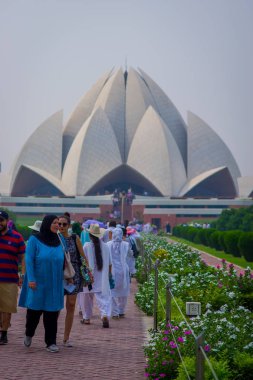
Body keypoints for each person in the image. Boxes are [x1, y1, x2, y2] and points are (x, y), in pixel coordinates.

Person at [19, 215, 64, 353]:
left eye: (59, 223)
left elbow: (65, 258)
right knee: (34, 312)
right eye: (55, 223)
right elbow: (29, 259)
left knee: (52, 313)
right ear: (46, 224)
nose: (58, 225)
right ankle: (29, 333)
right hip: (37, 282)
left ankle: (50, 342)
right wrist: (31, 279)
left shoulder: (60, 240)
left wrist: (68, 276)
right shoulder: (34, 240)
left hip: (54, 282)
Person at [58, 214, 89, 347]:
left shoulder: (74, 238)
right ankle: (51, 336)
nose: (61, 227)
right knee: (56, 306)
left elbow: (83, 256)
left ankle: (66, 337)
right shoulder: (55, 239)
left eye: (64, 224)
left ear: (69, 225)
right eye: (59, 224)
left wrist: (88, 273)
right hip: (59, 275)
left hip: (74, 273)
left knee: (71, 305)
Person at [0, 210, 25, 345]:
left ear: (6, 221)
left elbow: (23, 257)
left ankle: (4, 334)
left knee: (7, 308)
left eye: (1, 220)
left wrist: (22, 274)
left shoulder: (16, 237)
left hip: (9, 278)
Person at [79, 224, 112, 328]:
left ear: (89, 235)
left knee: (86, 297)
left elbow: (83, 262)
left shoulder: (86, 246)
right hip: (101, 278)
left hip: (89, 277)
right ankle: (104, 315)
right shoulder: (106, 246)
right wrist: (108, 275)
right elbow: (110, 264)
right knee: (102, 298)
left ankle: (87, 318)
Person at [107, 228, 131, 318]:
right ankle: (121, 310)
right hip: (123, 270)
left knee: (111, 292)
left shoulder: (108, 244)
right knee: (123, 292)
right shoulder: (126, 244)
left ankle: (115, 312)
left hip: (112, 270)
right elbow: (130, 255)